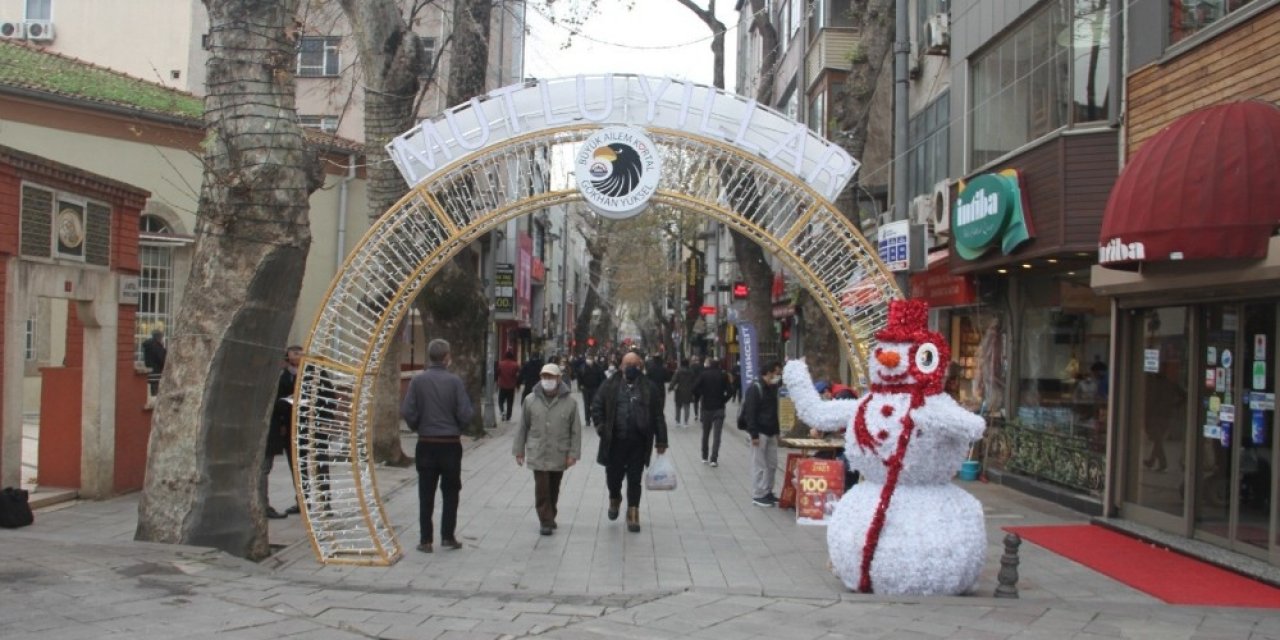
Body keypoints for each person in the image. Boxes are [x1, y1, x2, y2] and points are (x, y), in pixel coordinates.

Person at [401, 338, 475, 553]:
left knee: (426, 492)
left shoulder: (417, 382)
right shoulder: (455, 382)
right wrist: (458, 427)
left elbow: (407, 410)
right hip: (450, 444)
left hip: (426, 443)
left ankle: (425, 540)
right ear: (446, 358)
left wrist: (417, 426)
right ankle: (447, 536)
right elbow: (466, 413)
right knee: (451, 491)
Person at [591, 351, 669, 533]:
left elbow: (658, 415)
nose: (631, 367)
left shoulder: (649, 387)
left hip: (639, 442)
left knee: (635, 479)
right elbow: (597, 406)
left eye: (635, 364)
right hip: (615, 441)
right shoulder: (610, 385)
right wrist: (601, 427)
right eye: (628, 364)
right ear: (621, 366)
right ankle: (614, 498)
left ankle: (633, 513)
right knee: (613, 477)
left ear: (641, 366)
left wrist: (662, 440)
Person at [513, 363, 582, 535]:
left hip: (559, 451)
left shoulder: (570, 403)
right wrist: (519, 450)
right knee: (542, 486)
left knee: (553, 487)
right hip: (538, 451)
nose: (547, 380)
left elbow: (576, 431)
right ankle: (545, 520)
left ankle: (551, 514)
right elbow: (523, 427)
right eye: (544, 377)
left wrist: (573, 454)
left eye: (551, 377)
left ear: (558, 379)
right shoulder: (530, 400)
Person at [264, 346, 303, 519]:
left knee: (301, 467)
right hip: (278, 429)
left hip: (294, 428)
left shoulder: (305, 374)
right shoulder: (278, 379)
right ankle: (263, 505)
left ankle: (304, 501)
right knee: (264, 469)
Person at [743, 361, 783, 507]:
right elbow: (750, 412)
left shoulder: (771, 388)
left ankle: (768, 491)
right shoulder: (755, 388)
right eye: (777, 372)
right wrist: (753, 434)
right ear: (769, 372)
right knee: (759, 464)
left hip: (771, 432)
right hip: (759, 432)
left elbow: (774, 411)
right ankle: (758, 494)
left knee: (772, 464)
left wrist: (777, 432)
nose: (778, 376)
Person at [691, 357, 734, 467]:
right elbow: (730, 391)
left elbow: (694, 387)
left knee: (706, 433)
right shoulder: (723, 375)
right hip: (719, 408)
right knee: (717, 435)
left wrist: (702, 394)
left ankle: (704, 456)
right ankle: (714, 459)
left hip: (706, 408)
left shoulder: (704, 375)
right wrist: (724, 400)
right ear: (719, 365)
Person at [578, 355, 606, 428]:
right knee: (586, 405)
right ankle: (587, 419)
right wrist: (580, 385)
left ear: (593, 360)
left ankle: (595, 418)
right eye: (588, 358)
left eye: (590, 358)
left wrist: (601, 387)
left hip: (595, 388)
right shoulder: (582, 367)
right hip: (586, 388)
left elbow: (603, 378)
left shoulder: (598, 367)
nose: (589, 360)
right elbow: (579, 376)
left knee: (595, 405)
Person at [670, 358, 697, 428]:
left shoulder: (678, 371)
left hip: (679, 391)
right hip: (688, 391)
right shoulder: (691, 371)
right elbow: (694, 381)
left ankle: (678, 421)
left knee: (678, 406)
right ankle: (686, 422)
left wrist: (670, 387)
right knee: (687, 407)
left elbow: (674, 380)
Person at [496, 350, 520, 421]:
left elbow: (497, 373)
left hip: (502, 385)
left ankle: (502, 411)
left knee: (500, 400)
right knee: (510, 402)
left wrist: (497, 382)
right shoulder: (515, 365)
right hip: (511, 386)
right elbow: (518, 376)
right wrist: (517, 385)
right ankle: (508, 416)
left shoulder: (501, 364)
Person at [142, 328, 166, 396]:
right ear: (159, 337)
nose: (162, 339)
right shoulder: (157, 346)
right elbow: (162, 359)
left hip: (151, 373)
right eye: (162, 337)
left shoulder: (149, 345)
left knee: (152, 393)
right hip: (156, 374)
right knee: (156, 395)